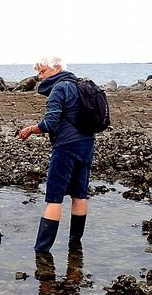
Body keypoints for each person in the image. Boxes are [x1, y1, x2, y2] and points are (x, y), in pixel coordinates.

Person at [19, 56, 95, 254]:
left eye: (43, 71)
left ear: (58, 68)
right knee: (80, 195)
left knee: (54, 198)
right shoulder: (80, 85)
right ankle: (75, 244)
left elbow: (50, 123)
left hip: (66, 147)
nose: (40, 76)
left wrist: (31, 128)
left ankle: (41, 251)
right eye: (39, 72)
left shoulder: (59, 89)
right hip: (87, 145)